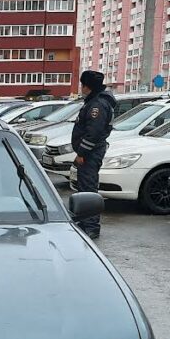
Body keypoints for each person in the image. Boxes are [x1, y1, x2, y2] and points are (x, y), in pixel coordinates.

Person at [71, 70, 116, 239]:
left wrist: (81, 153)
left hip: (90, 153)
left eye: (83, 84)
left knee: (89, 189)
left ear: (88, 86)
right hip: (90, 153)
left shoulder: (97, 105)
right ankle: (84, 221)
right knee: (84, 189)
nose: (81, 88)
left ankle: (91, 226)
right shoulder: (94, 102)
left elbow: (93, 133)